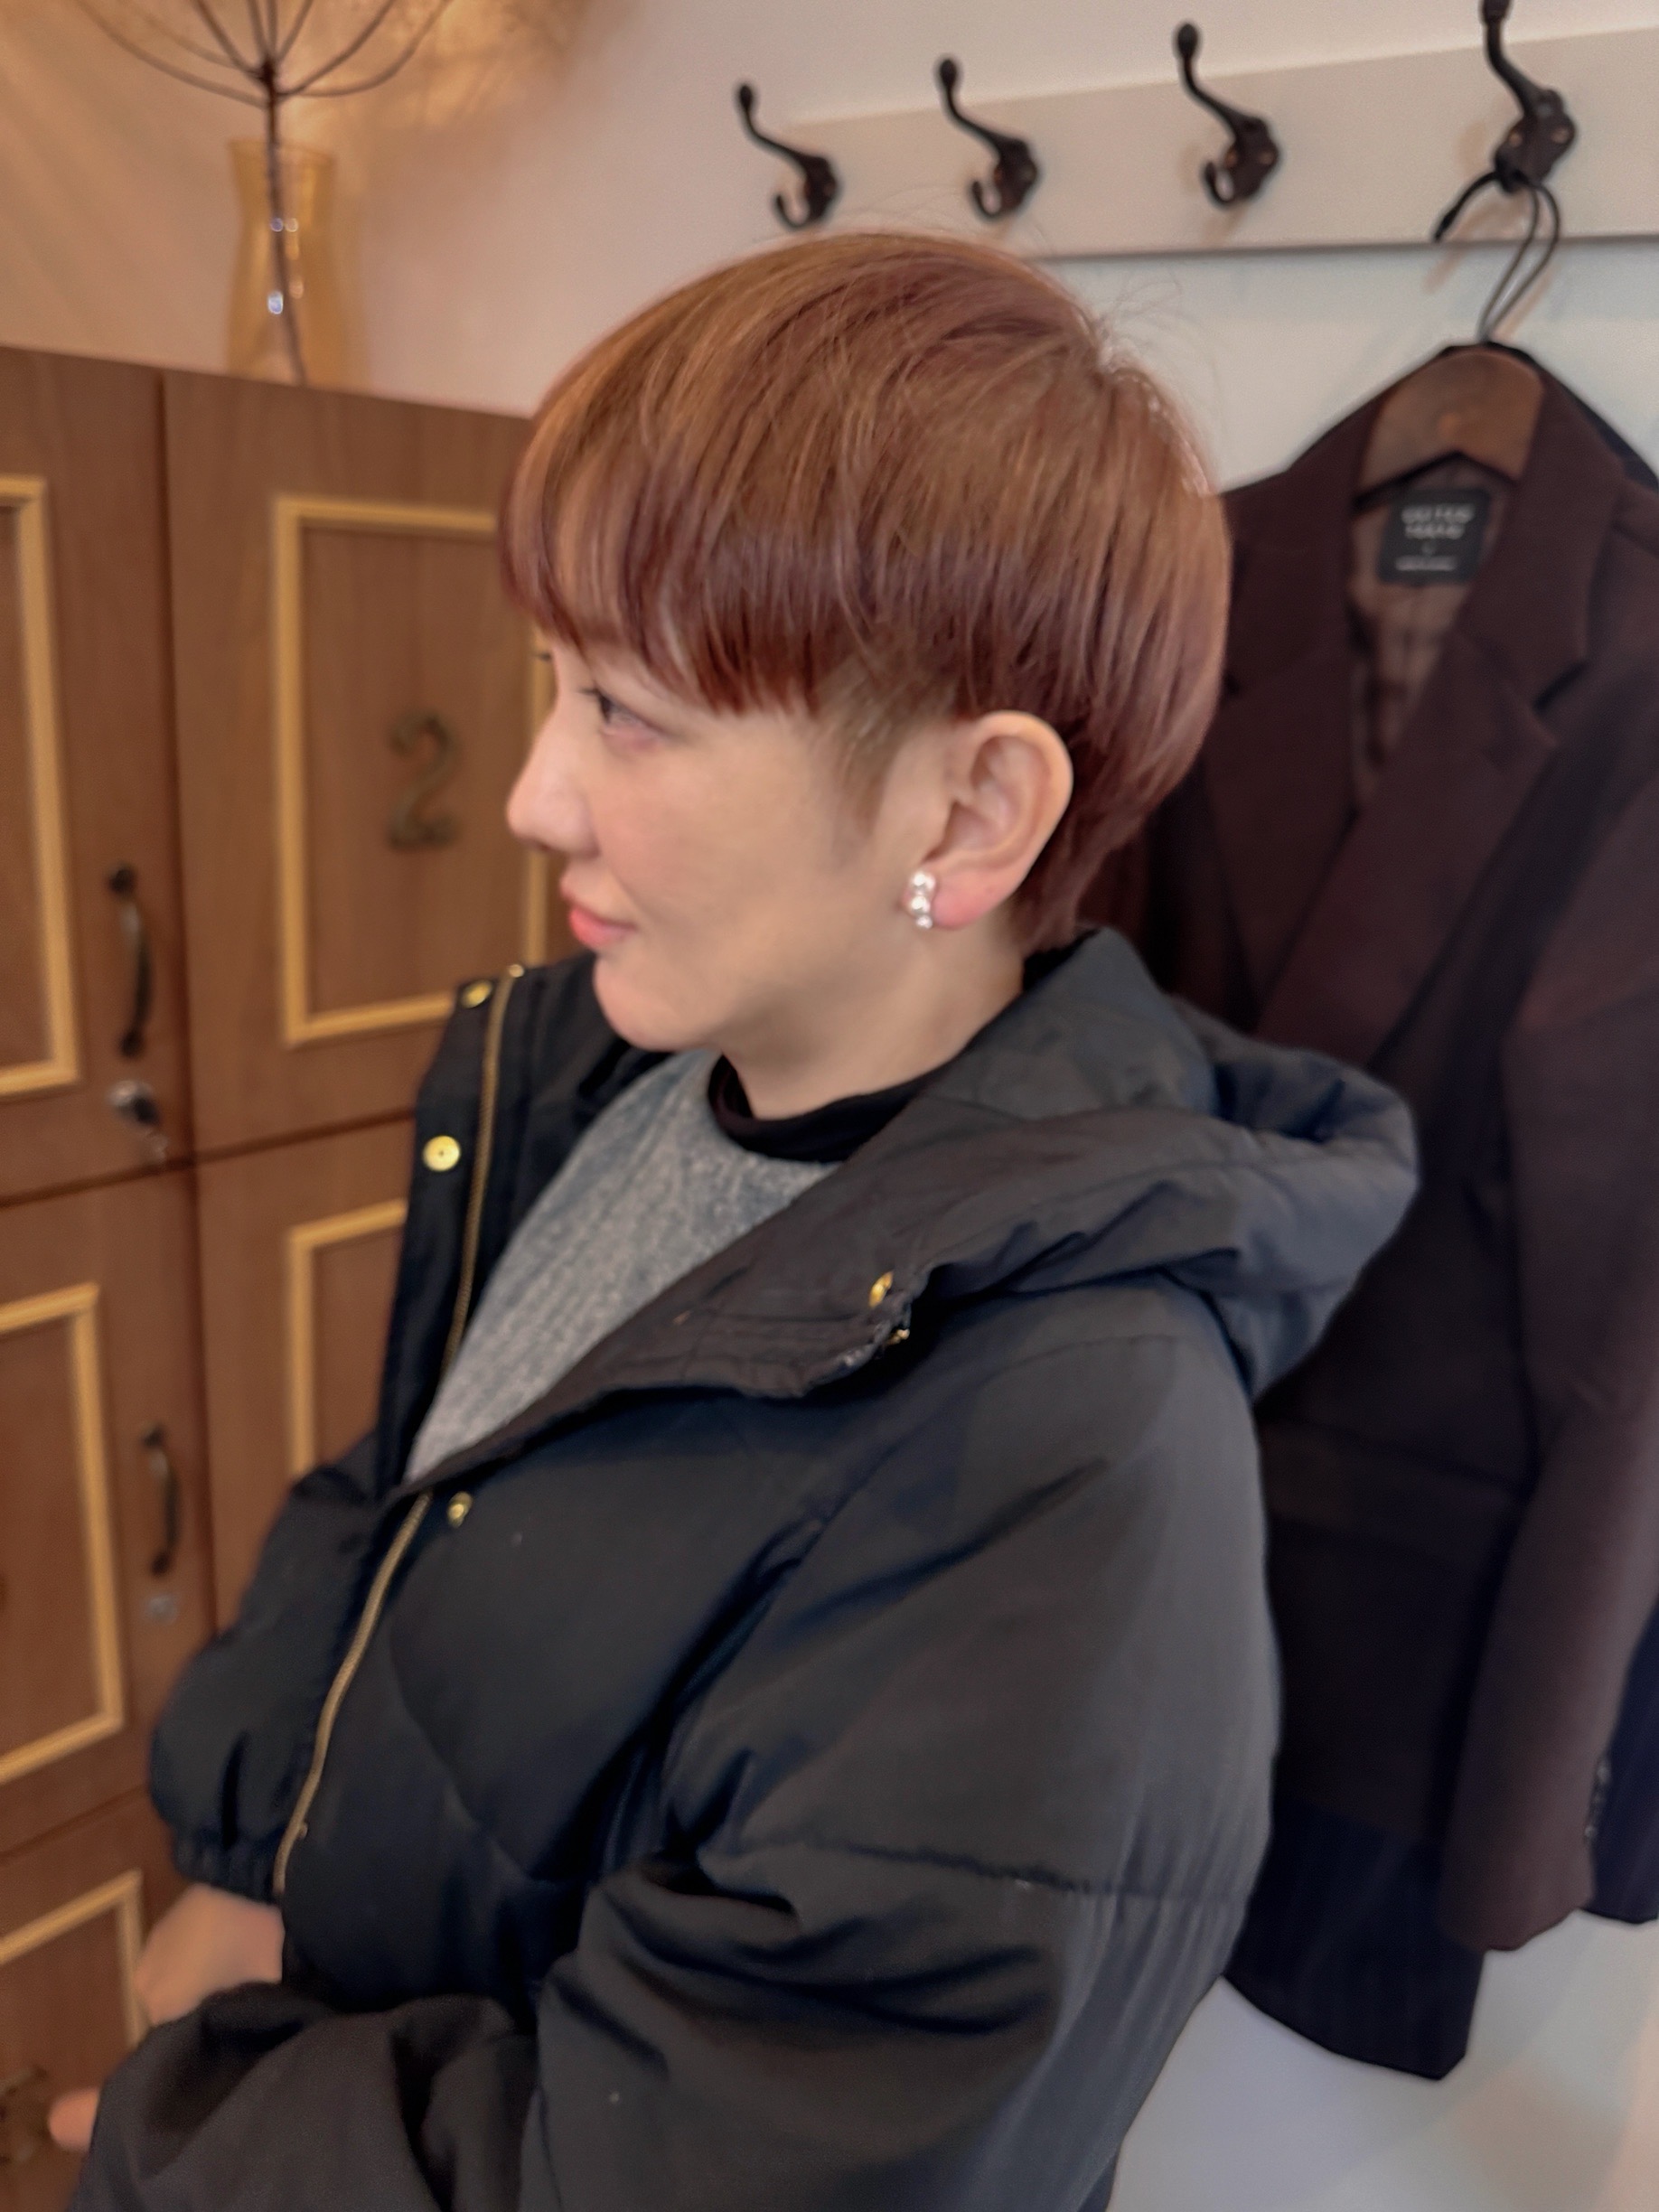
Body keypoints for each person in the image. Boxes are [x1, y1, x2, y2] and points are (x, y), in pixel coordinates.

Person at [58, 232, 1414, 2211]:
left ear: (966, 815)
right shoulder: (592, 1086)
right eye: (552, 680)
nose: (534, 797)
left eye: (629, 713)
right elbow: (407, 1491)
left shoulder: (1070, 1444)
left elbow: (743, 2157)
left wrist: (196, 2136)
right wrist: (247, 1850)